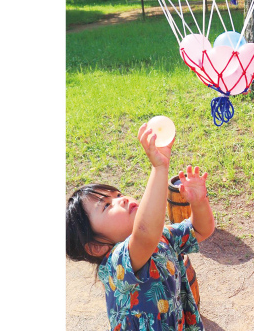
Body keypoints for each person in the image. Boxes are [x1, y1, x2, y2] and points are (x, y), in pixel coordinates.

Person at [66, 122, 215, 330]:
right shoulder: (114, 264)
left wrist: (199, 202)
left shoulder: (162, 237)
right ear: (96, 247)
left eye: (118, 195)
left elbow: (201, 230)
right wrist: (160, 167)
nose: (122, 199)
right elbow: (145, 234)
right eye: (107, 206)